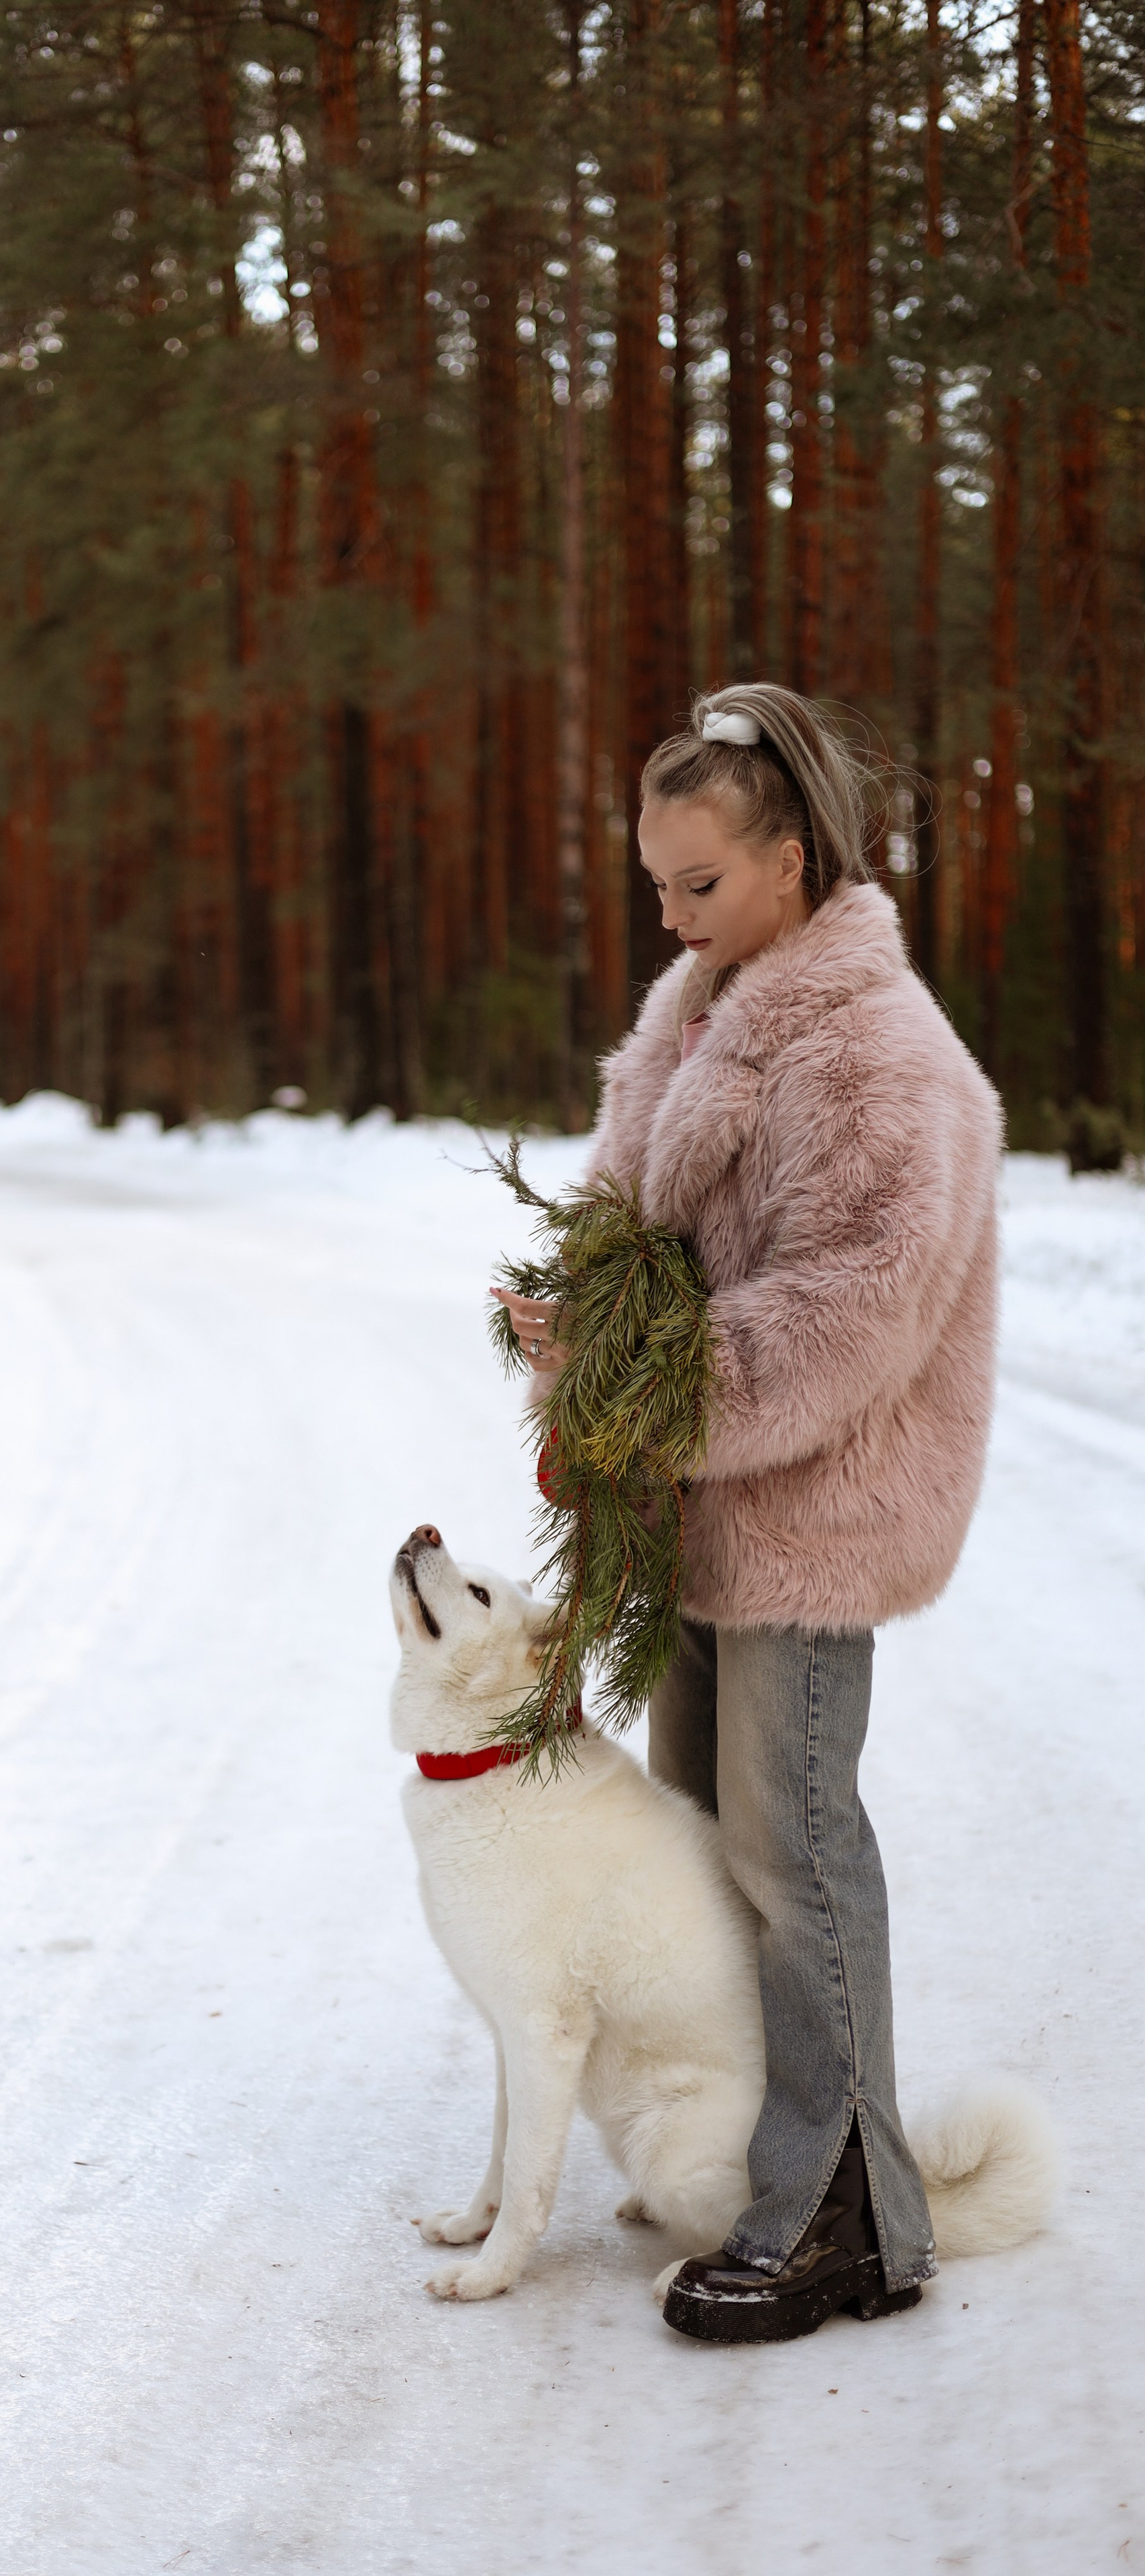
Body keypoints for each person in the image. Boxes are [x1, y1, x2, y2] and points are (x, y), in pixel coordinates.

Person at [492, 681, 1002, 2345]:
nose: (668, 913)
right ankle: (746, 2141)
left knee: (793, 1857)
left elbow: (849, 1314)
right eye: (651, 883)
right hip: (698, 1511)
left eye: (696, 883)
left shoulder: (875, 1051)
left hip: (812, 1512)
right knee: (706, 1836)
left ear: (790, 858)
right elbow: (626, 1218)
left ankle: (844, 2218)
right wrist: (572, 1328)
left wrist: (649, 1383)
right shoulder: (700, 1006)